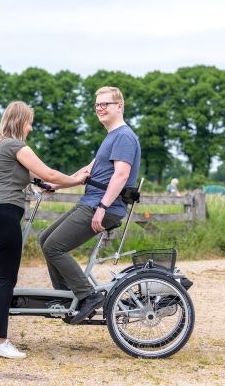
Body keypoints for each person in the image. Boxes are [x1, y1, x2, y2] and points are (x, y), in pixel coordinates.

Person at [0, 101, 89, 359]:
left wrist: (48, 184)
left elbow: (35, 179)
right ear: (20, 121)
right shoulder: (16, 145)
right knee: (5, 280)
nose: (31, 127)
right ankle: (1, 341)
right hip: (4, 216)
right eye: (30, 121)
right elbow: (48, 172)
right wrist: (77, 179)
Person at [39, 86, 141, 325]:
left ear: (120, 106)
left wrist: (103, 207)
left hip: (102, 206)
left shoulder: (124, 136)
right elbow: (87, 172)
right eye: (97, 105)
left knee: (54, 246)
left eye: (105, 104)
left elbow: (121, 175)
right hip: (91, 202)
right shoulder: (111, 137)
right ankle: (66, 300)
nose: (100, 108)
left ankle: (87, 296)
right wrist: (54, 186)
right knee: (45, 240)